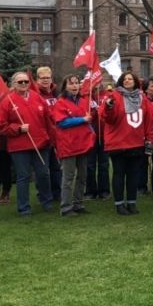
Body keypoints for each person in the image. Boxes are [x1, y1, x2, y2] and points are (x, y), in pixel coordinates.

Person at [0, 71, 54, 216]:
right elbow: (1, 126)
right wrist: (18, 128)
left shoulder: (37, 97)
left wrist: (50, 138)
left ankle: (46, 201)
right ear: (14, 84)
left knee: (43, 174)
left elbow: (48, 118)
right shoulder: (7, 101)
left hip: (41, 143)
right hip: (20, 147)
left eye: (26, 81)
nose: (24, 84)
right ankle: (24, 207)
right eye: (20, 82)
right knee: (23, 177)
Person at [101, 71, 153, 215]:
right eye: (124, 79)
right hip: (118, 143)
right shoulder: (114, 96)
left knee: (133, 175)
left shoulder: (142, 99)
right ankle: (119, 204)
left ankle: (132, 202)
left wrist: (150, 139)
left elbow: (149, 121)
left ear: (136, 81)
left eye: (130, 79)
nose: (127, 81)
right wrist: (109, 107)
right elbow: (107, 118)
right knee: (119, 174)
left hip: (136, 142)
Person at [52, 75, 96, 217]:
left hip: (83, 143)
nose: (75, 86)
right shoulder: (61, 103)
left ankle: (78, 203)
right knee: (68, 177)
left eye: (77, 83)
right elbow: (61, 122)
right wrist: (82, 119)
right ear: (65, 86)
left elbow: (89, 120)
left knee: (82, 176)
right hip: (68, 144)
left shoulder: (84, 101)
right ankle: (66, 207)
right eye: (71, 84)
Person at [35, 66, 62, 202]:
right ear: (37, 79)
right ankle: (44, 195)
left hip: (57, 136)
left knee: (56, 167)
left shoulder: (56, 93)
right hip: (42, 136)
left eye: (48, 77)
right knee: (43, 170)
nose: (45, 80)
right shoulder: (35, 94)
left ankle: (57, 193)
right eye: (42, 78)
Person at [85, 82, 111, 200]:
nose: (98, 84)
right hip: (90, 136)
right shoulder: (87, 97)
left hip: (104, 136)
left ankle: (104, 191)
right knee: (89, 165)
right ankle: (90, 191)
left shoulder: (107, 96)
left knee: (104, 165)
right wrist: (95, 111)